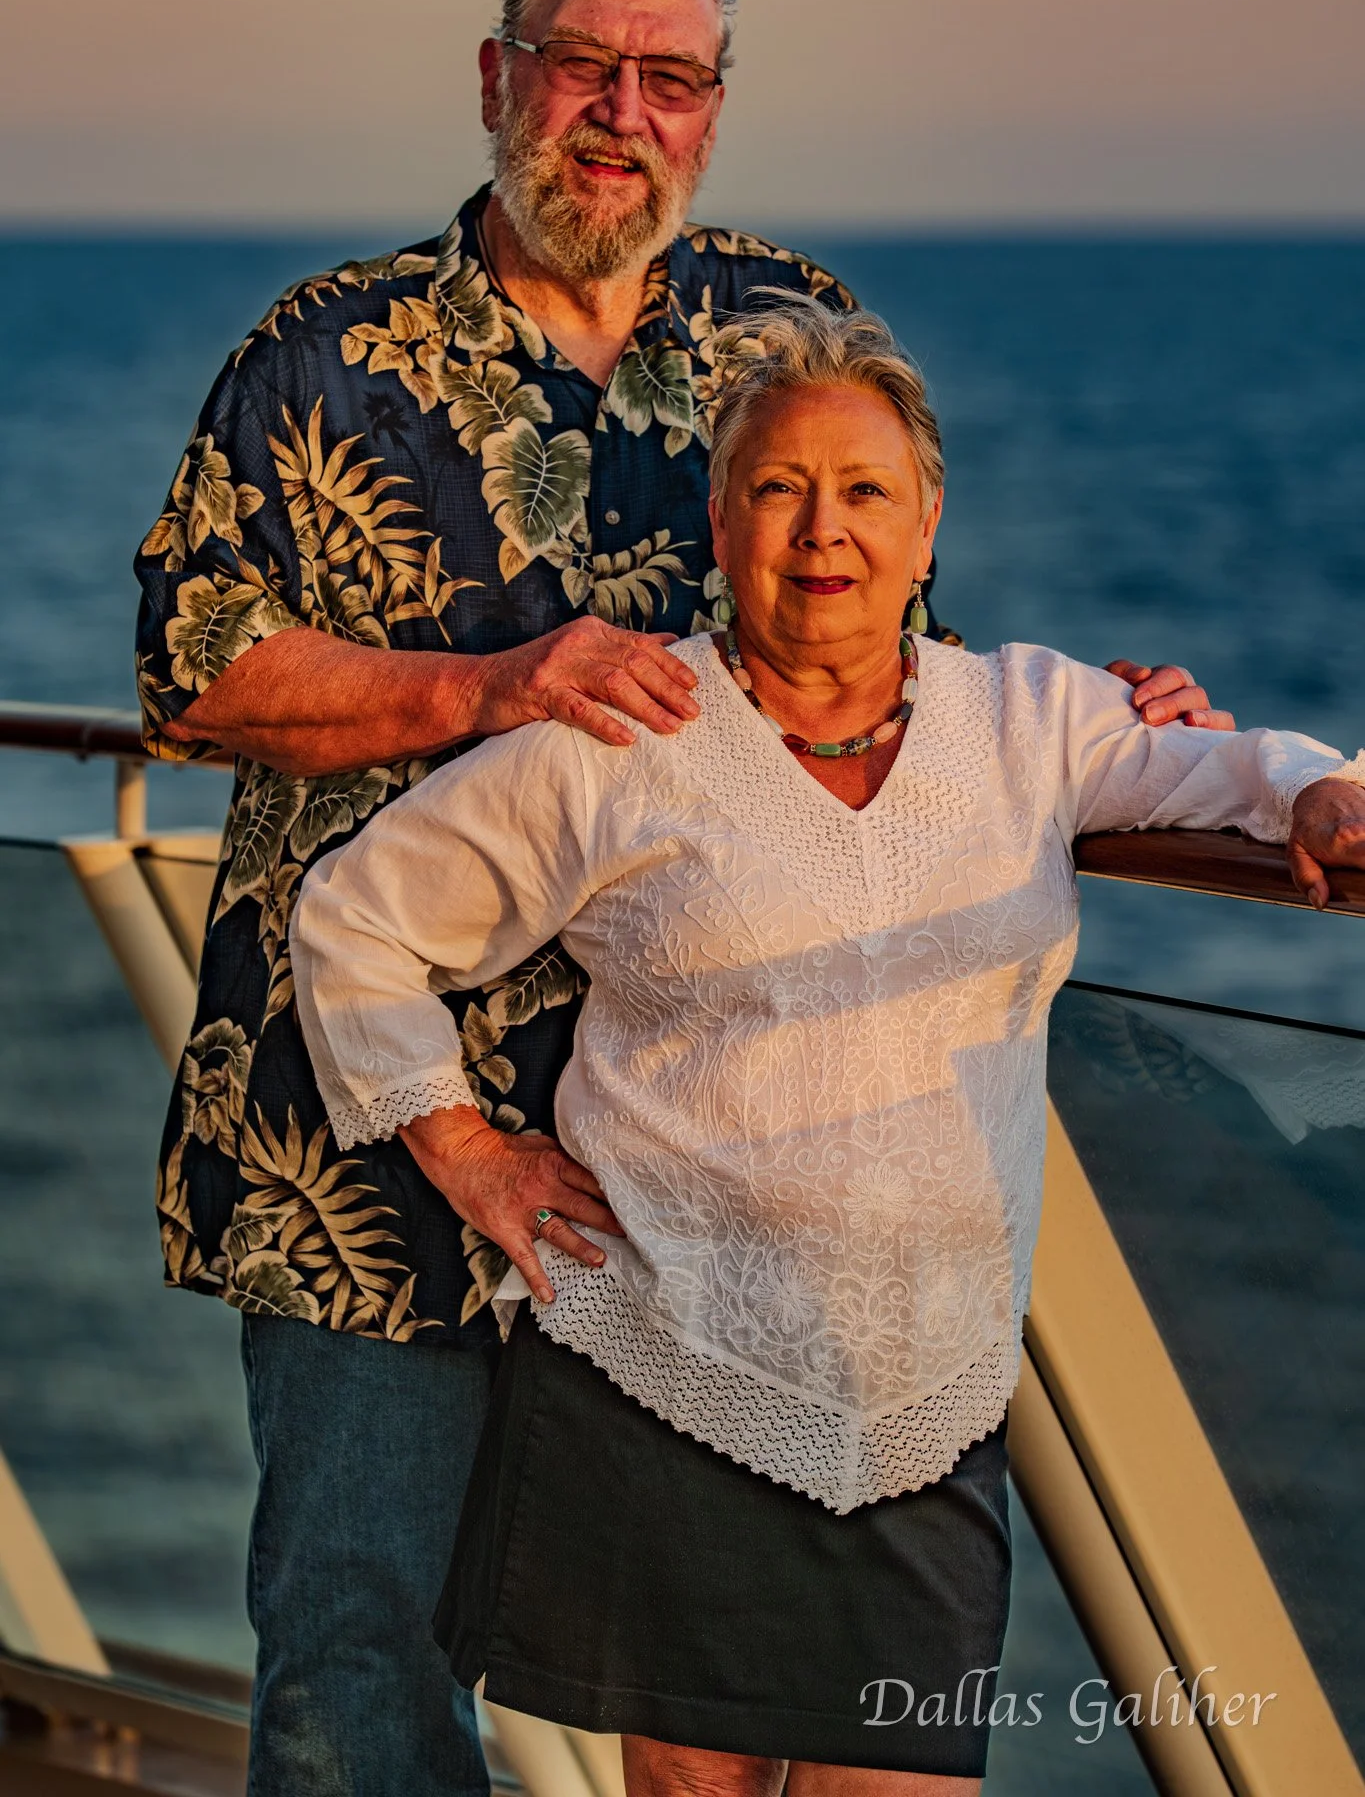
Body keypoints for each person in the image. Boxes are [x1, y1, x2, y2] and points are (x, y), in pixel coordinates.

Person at [133, 0, 1230, 1796]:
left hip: (701, 1191)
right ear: (500, 81)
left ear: (713, 109)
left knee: (693, 1720)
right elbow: (189, 673)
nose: (618, 113)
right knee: (359, 1643)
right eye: (582, 66)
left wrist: (1124, 732)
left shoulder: (776, 325)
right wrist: (491, 688)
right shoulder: (326, 355)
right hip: (363, 1130)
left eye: (669, 77)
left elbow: (881, 631)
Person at [289, 295, 1365, 1797]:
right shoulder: (619, 740)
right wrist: (463, 1151)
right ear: (723, 529)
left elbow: (1233, 767)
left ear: (928, 531)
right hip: (667, 1368)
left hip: (928, 1393)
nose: (823, 531)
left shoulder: (1034, 720)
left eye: (865, 493)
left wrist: (1317, 793)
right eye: (781, 492)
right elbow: (355, 916)